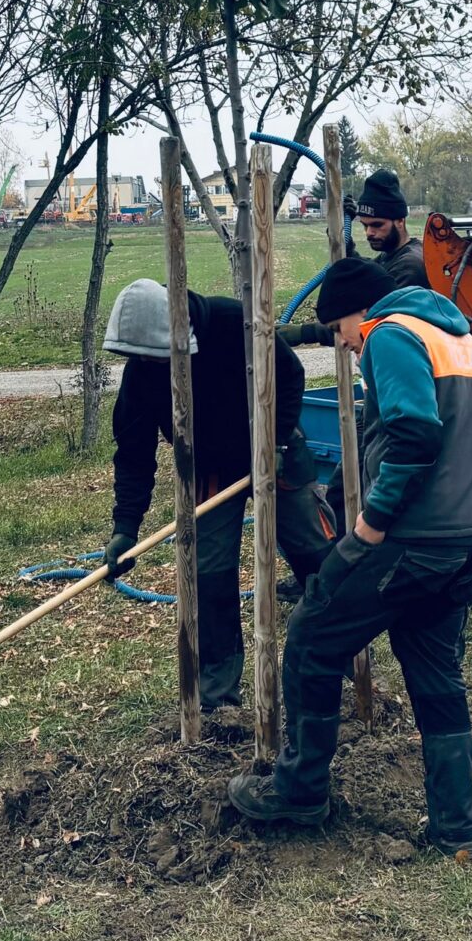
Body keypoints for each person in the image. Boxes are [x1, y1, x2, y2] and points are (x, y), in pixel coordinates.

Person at [230, 256, 472, 855]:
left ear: (360, 311)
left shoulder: (391, 334)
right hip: (461, 538)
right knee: (437, 676)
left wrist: (370, 526)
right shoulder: (456, 338)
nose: (344, 343)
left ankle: (299, 790)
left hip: (408, 539)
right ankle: (455, 831)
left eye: (339, 328)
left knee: (312, 638)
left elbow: (415, 434)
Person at [106, 275, 329, 709]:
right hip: (211, 469)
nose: (148, 364)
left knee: (315, 554)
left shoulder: (232, 323)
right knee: (208, 576)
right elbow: (133, 454)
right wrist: (125, 529)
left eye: (154, 357)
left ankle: (347, 654)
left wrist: (277, 441)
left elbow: (290, 375)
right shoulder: (142, 373)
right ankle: (218, 692)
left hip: (275, 453)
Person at [353, 167, 430, 291]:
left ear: (400, 221)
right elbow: (369, 270)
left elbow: (374, 300)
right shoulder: (392, 254)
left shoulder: (409, 266)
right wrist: (347, 247)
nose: (369, 233)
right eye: (365, 225)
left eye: (377, 225)